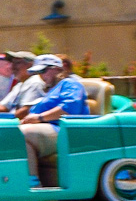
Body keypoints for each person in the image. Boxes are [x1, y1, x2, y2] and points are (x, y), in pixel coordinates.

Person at [18, 55, 87, 188]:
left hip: (66, 131)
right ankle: (24, 180)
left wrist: (38, 118)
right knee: (7, 134)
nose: (41, 76)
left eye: (43, 71)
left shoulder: (70, 83)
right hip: (50, 130)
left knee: (23, 133)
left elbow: (69, 108)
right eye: (39, 73)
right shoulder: (50, 90)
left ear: (56, 69)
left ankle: (32, 184)